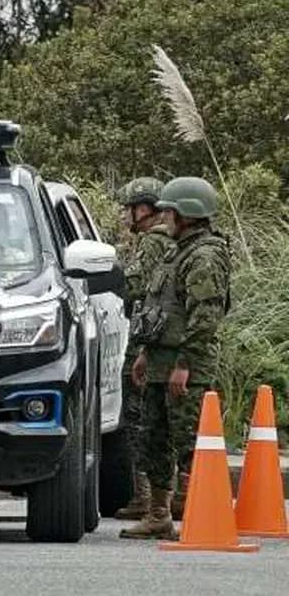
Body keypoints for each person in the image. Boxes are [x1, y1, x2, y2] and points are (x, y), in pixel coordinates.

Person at [121, 177, 231, 540]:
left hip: (185, 366)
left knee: (190, 442)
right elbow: (156, 307)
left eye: (169, 210)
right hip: (157, 362)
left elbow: (205, 317)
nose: (164, 216)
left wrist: (184, 364)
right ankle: (158, 514)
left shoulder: (205, 256)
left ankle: (204, 513)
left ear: (187, 213)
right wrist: (143, 354)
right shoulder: (175, 251)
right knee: (154, 439)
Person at [112, 177, 176, 521]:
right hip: (161, 337)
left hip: (146, 338)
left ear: (145, 209)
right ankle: (164, 497)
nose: (125, 216)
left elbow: (139, 286)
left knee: (139, 417)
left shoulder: (153, 241)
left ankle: (147, 498)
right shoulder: (170, 239)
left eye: (129, 209)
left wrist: (115, 277)